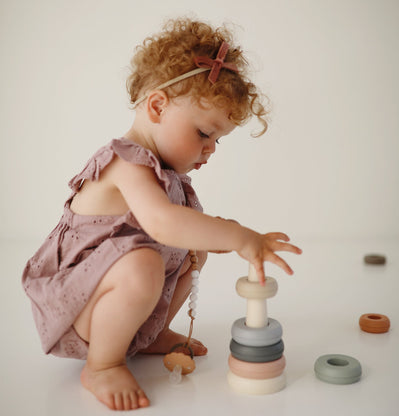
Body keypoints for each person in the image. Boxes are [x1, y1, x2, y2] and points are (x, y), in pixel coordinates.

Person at [22, 17, 302, 411]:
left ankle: (151, 334)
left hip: (111, 299)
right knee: (143, 264)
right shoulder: (124, 163)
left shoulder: (165, 176)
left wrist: (227, 237)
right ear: (157, 105)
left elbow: (186, 231)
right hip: (77, 306)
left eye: (218, 140)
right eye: (205, 134)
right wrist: (238, 236)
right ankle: (102, 365)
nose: (211, 150)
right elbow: (163, 223)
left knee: (194, 251)